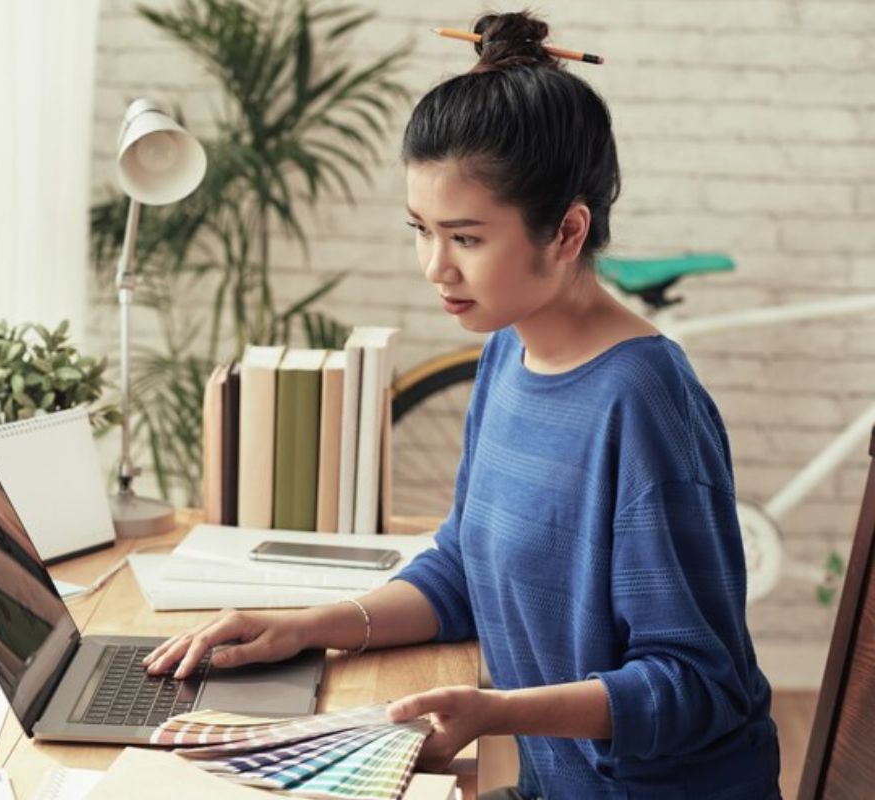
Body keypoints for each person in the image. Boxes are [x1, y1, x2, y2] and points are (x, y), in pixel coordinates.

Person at [143, 10, 781, 798]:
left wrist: (496, 710)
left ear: (568, 230)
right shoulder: (507, 351)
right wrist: (303, 628)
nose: (434, 267)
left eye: (466, 238)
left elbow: (698, 687)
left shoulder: (644, 403)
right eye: (421, 230)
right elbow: (463, 571)